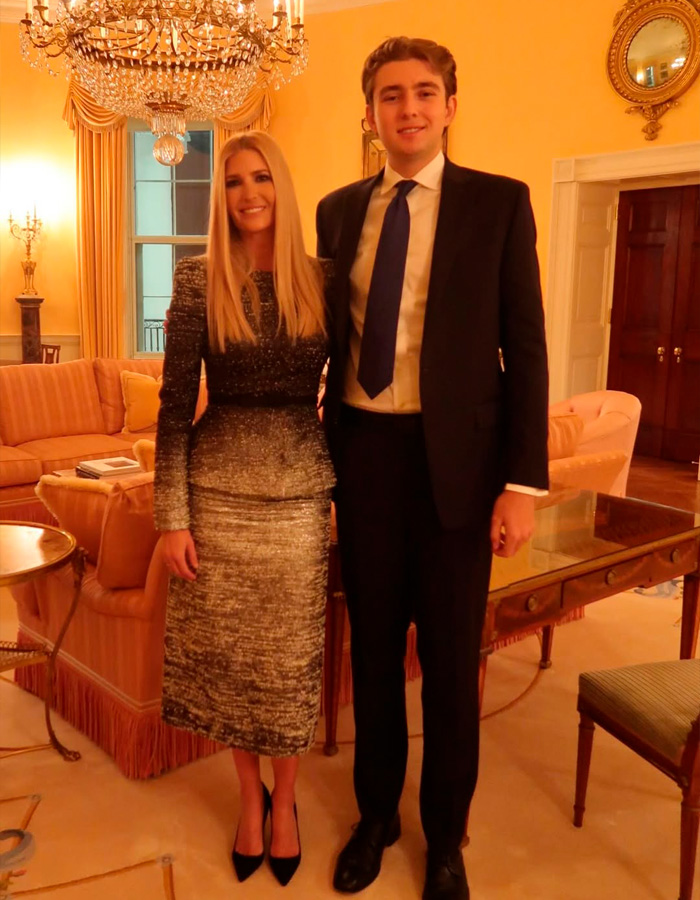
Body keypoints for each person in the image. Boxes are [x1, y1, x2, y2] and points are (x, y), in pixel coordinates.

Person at [316, 37, 549, 900]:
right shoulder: (338, 213)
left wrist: (521, 485)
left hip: (460, 467)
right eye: (389, 95)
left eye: (423, 92)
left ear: (451, 105)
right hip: (366, 460)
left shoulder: (499, 205)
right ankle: (375, 817)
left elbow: (525, 349)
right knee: (374, 657)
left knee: (451, 665)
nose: (406, 108)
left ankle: (444, 836)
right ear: (370, 111)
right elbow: (331, 345)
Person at [154, 130, 334, 887]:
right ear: (219, 198)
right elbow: (171, 407)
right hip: (215, 496)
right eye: (233, 182)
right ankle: (249, 804)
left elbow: (357, 399)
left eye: (261, 178)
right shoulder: (199, 281)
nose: (249, 193)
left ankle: (285, 803)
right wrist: (171, 517)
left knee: (288, 668)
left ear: (281, 187)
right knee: (229, 668)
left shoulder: (325, 279)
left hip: (298, 498)